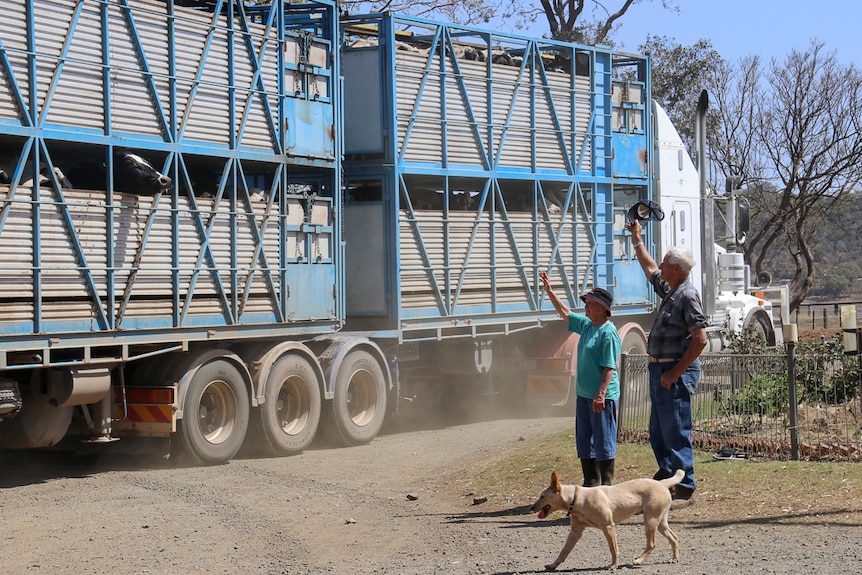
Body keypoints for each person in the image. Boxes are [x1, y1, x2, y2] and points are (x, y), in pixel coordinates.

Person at [625, 219, 708, 501]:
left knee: (675, 429)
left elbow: (700, 339)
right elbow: (649, 268)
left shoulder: (687, 296)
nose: (660, 268)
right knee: (659, 430)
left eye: (665, 264)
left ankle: (684, 486)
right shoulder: (672, 290)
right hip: (660, 368)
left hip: (673, 371)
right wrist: (637, 239)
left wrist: (675, 373)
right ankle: (668, 476)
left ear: (676, 268)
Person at [539, 271, 621, 487]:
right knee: (585, 441)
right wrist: (550, 292)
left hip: (601, 398)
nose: (586, 306)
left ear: (604, 309)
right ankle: (590, 484)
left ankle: (607, 487)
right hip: (584, 395)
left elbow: (609, 367)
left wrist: (600, 394)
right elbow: (565, 313)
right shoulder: (586, 325)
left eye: (590, 304)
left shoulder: (608, 332)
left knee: (603, 442)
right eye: (586, 303)